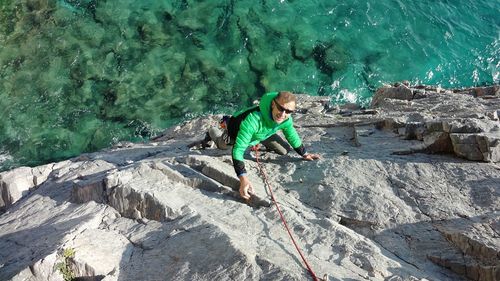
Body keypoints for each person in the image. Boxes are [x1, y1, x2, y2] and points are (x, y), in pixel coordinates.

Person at [205, 91, 320, 200]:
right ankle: (214, 129)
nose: (283, 114)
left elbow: (292, 135)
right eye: (281, 108)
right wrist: (243, 179)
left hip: (262, 134)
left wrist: (304, 154)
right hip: (236, 132)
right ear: (273, 104)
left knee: (284, 150)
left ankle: (258, 140)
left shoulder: (286, 119)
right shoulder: (252, 120)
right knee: (222, 145)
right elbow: (238, 150)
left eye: (289, 111)